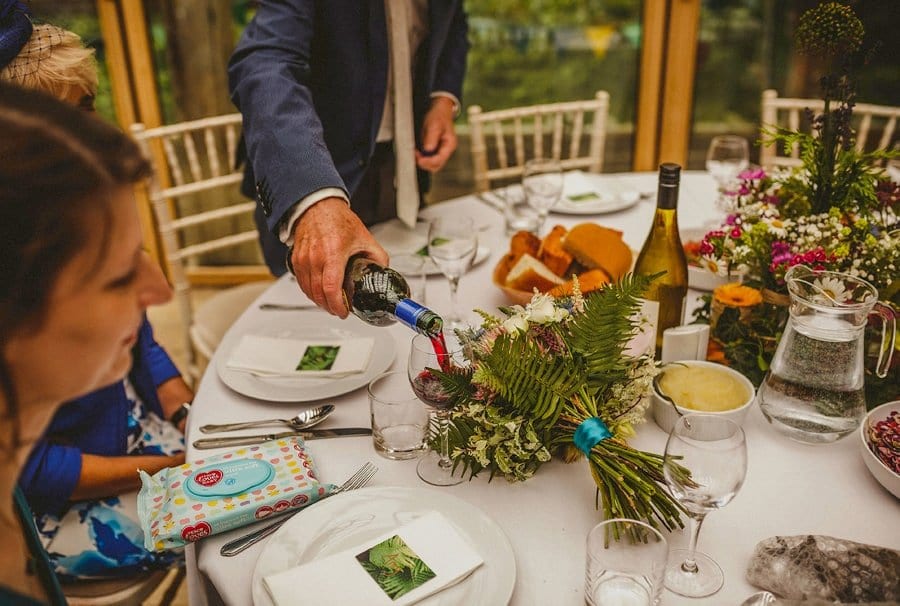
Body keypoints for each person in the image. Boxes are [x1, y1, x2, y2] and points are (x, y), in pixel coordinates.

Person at [0, 8, 194, 580]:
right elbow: (33, 468)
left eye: (90, 107)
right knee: (248, 516)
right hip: (67, 502)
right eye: (76, 116)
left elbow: (145, 344)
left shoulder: (87, 219)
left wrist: (185, 414)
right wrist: (168, 467)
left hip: (140, 440)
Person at [229, 1, 469, 317]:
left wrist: (443, 98)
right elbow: (265, 62)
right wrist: (312, 197)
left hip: (400, 168)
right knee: (320, 324)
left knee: (404, 298)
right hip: (317, 166)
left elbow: (453, 25)